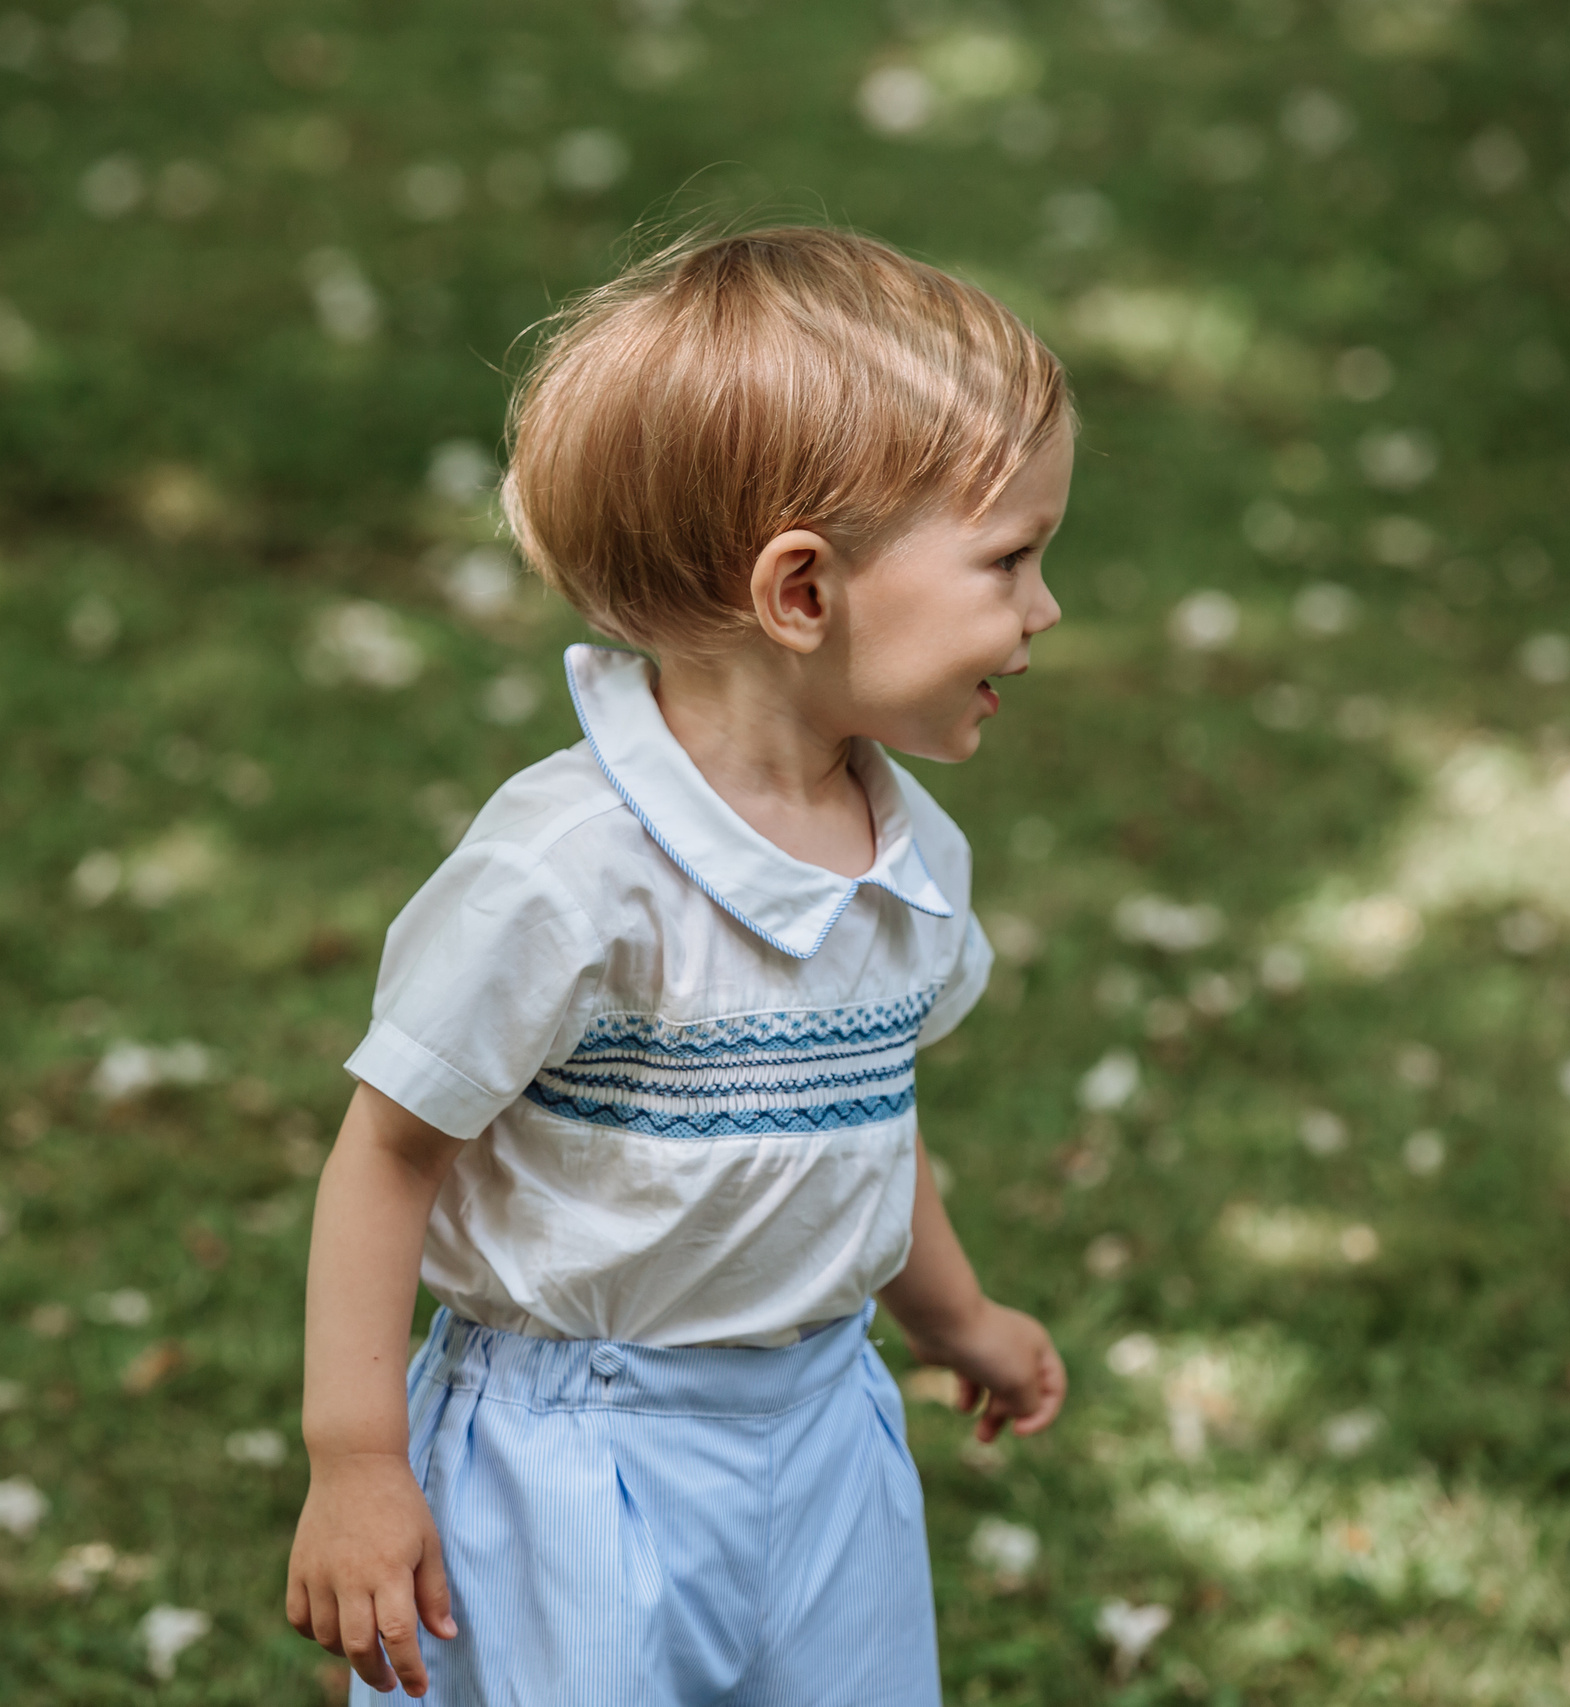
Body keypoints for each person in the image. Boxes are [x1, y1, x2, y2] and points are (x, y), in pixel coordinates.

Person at [285, 225, 1073, 1705]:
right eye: (1010, 561)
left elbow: (856, 1121)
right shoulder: (565, 872)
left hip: (823, 1424)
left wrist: (956, 1319)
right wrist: (355, 1461)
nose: (1042, 612)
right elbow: (389, 1153)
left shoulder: (905, 857)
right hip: (569, 1458)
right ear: (801, 593)